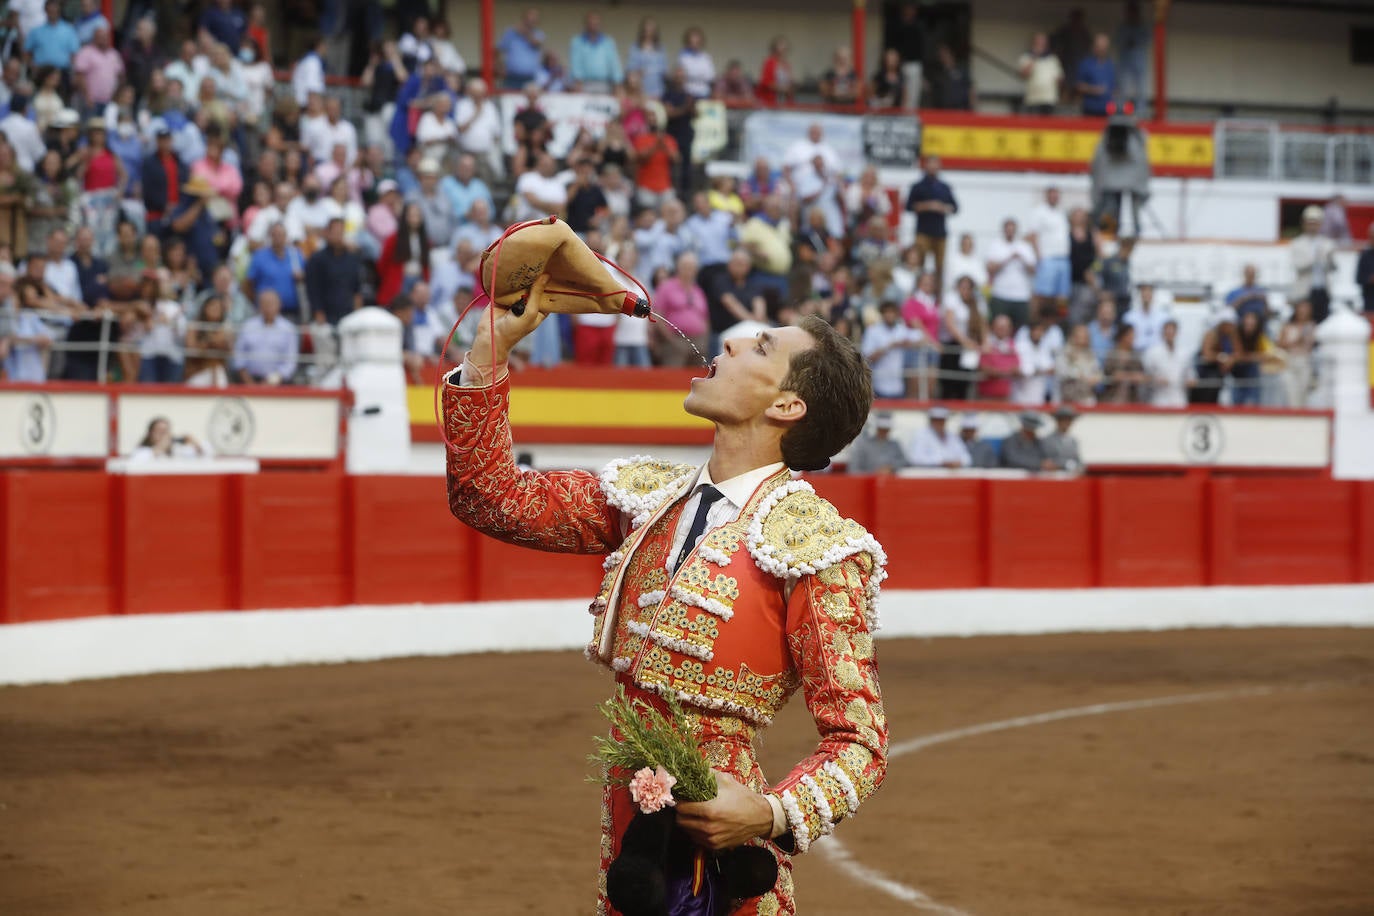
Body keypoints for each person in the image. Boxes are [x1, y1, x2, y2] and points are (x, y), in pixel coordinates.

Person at [441, 284, 888, 916]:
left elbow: (859, 740)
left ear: (788, 404)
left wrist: (768, 812)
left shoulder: (817, 548)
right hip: (628, 841)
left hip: (726, 857)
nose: (730, 339)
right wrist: (489, 349)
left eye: (759, 345)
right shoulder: (644, 500)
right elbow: (489, 496)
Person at [905, 156, 958, 292]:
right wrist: (927, 206)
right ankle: (917, 292)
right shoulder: (917, 186)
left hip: (940, 233)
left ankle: (937, 296)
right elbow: (908, 206)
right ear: (926, 166)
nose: (933, 167)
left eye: (936, 164)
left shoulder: (944, 187)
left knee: (940, 267)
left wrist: (942, 207)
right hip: (923, 231)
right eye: (931, 164)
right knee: (919, 264)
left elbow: (955, 208)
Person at [652, 251, 709, 367]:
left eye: (692, 268)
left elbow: (705, 317)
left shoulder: (698, 290)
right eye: (686, 267)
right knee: (672, 379)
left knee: (696, 379)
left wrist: (704, 339)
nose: (689, 271)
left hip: (698, 342)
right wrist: (671, 339)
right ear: (678, 267)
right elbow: (657, 314)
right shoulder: (666, 287)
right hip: (675, 341)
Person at [232, 289, 297, 384]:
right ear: (259, 305)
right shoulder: (248, 326)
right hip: (247, 381)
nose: (268, 307)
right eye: (264, 303)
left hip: (278, 383)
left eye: (271, 303)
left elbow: (290, 362)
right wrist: (248, 381)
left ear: (279, 305)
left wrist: (271, 381)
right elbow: (239, 355)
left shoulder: (288, 329)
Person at [1026, 186, 1071, 323]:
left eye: (1056, 195)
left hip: (1063, 259)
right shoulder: (1039, 212)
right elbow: (1032, 235)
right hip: (1048, 258)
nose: (1054, 197)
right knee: (1042, 295)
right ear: (1046, 196)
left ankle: (1058, 324)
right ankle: (1035, 323)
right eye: (1052, 194)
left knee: (1062, 297)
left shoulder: (1061, 213)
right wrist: (1039, 256)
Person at [861, 299, 919, 400]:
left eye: (892, 312)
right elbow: (867, 358)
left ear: (897, 314)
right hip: (878, 387)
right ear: (882, 314)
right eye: (886, 312)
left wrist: (908, 344)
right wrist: (889, 347)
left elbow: (920, 338)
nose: (889, 315)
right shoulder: (872, 331)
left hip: (898, 387)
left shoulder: (901, 329)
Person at [985, 217, 1036, 329]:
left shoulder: (1024, 246)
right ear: (1004, 230)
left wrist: (1022, 259)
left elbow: (1033, 270)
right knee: (998, 326)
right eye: (1008, 229)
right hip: (1000, 294)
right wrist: (1008, 258)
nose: (1010, 231)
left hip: (1021, 295)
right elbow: (990, 268)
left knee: (1021, 328)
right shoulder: (995, 245)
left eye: (1012, 229)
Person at [1289, 206, 1337, 323]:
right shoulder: (1297, 243)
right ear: (1304, 223)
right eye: (1310, 223)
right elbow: (1298, 266)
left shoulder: (1328, 243)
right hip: (1305, 291)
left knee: (1322, 321)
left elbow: (1333, 267)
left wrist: (1328, 260)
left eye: (1315, 223)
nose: (1312, 226)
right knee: (1304, 322)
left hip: (1322, 290)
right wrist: (1316, 258)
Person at [1142, 318, 1192, 408]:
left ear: (1176, 333)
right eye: (1167, 331)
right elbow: (1145, 376)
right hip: (1159, 399)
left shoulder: (1185, 353)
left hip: (1179, 399)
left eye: (1172, 331)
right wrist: (1155, 380)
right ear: (1163, 333)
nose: (1170, 334)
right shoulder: (1152, 353)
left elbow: (1190, 376)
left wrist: (1189, 382)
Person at [568, 12, 621, 93]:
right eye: (591, 23)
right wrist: (578, 81)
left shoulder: (608, 42)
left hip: (606, 84)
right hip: (584, 85)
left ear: (599, 25)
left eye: (596, 23)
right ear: (586, 24)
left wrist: (617, 83)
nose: (593, 26)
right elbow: (575, 63)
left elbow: (614, 63)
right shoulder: (577, 42)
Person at [1277, 299, 1317, 407]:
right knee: (1291, 393)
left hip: (1304, 362)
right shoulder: (1287, 326)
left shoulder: (1312, 326)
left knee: (1303, 392)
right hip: (1289, 362)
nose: (1303, 311)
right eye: (1301, 308)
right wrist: (1296, 341)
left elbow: (1312, 345)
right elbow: (1280, 344)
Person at [1057, 323, 1103, 406]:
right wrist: (1081, 377)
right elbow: (1062, 372)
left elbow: (1098, 373)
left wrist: (1095, 378)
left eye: (1085, 336)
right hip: (1069, 398)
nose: (1083, 338)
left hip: (1087, 397)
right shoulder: (1065, 352)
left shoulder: (1090, 354)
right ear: (1073, 336)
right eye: (1080, 335)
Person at [1018, 32, 1063, 115]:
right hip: (1033, 98)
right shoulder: (1026, 57)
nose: (1040, 45)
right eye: (1038, 42)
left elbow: (1059, 78)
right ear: (1033, 43)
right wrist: (1035, 57)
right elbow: (1023, 74)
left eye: (1042, 42)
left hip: (1049, 98)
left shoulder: (1052, 59)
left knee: (1048, 126)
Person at [1101, 324, 1146, 403]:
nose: (1132, 338)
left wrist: (1128, 376)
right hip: (1113, 397)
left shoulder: (1135, 355)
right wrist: (1127, 376)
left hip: (1132, 398)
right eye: (1130, 335)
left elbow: (1141, 376)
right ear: (1122, 336)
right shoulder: (1112, 354)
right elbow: (1109, 375)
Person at [129, 417, 205, 461]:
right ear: (150, 433)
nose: (163, 434)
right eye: (159, 431)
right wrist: (161, 447)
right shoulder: (141, 451)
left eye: (165, 431)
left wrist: (195, 443)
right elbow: (137, 461)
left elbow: (202, 456)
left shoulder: (177, 450)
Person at [1075, 33, 1116, 116]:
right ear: (1094, 47)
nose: (1102, 49)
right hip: (1090, 109)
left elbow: (1114, 88)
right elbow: (1079, 86)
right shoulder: (1086, 64)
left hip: (1108, 110)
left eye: (1104, 47)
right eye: (1099, 46)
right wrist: (1094, 90)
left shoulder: (1110, 65)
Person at [1041, 406, 1083, 472]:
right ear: (1058, 421)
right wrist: (1068, 464)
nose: (1066, 422)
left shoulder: (1073, 441)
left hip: (1071, 476)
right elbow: (1048, 462)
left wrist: (1077, 467)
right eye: (1063, 419)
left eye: (1069, 420)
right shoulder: (1048, 440)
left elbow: (1078, 461)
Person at [1355, 223, 1374, 315]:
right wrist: (1369, 280)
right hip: (1370, 300)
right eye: (1372, 237)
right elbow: (1358, 279)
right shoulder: (1364, 256)